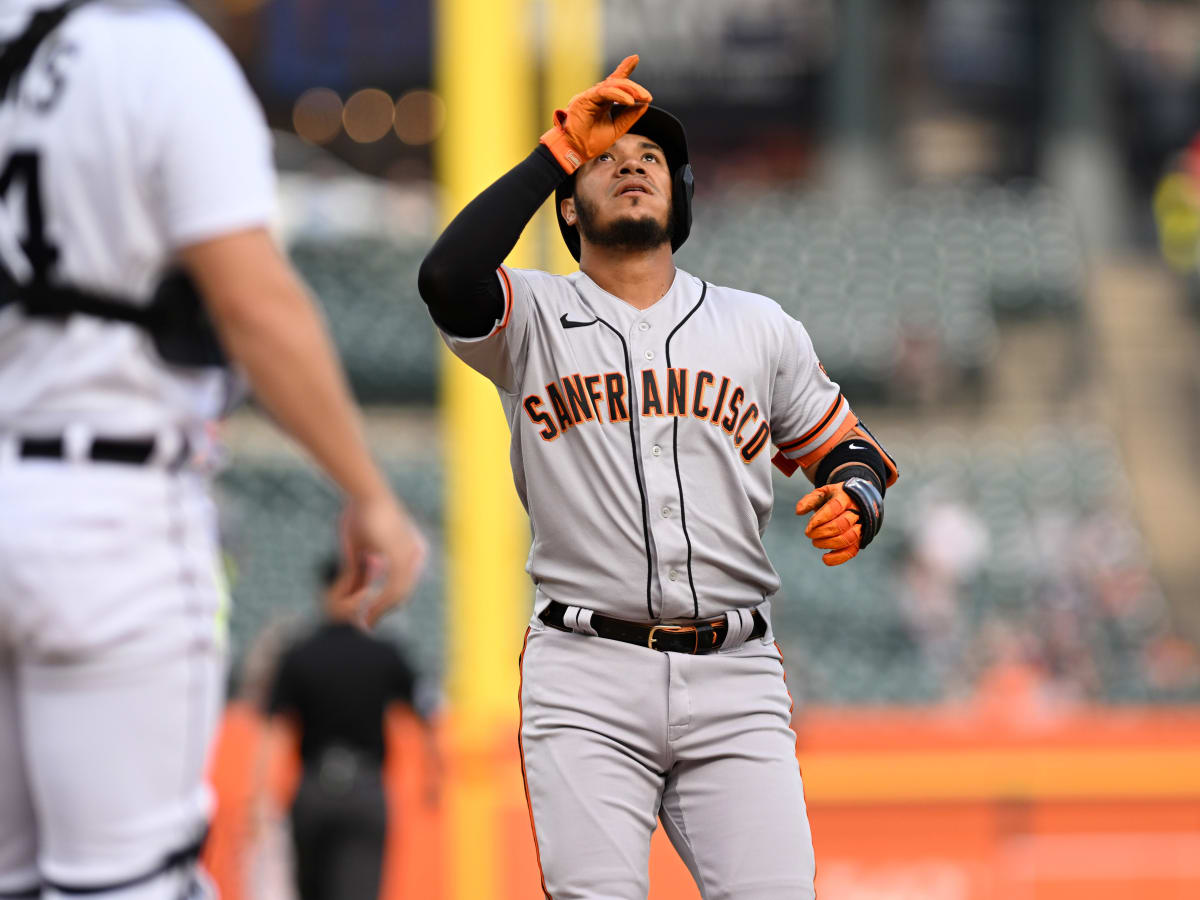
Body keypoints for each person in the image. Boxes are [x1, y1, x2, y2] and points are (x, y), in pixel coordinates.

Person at [418, 55, 899, 899]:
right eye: (607, 158)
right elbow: (447, 279)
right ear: (568, 202)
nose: (632, 162)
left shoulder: (757, 326)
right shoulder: (530, 317)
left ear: (680, 199)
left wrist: (857, 501)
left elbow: (849, 449)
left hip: (736, 671)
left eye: (650, 157)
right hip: (586, 673)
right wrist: (554, 151)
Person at [0, 3, 425, 898]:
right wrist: (368, 489)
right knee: (129, 883)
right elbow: (255, 306)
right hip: (108, 510)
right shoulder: (160, 55)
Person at [257, 558, 441, 900]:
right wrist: (434, 777)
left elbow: (273, 730)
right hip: (364, 791)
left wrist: (260, 801)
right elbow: (427, 714)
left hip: (313, 790)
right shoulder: (383, 653)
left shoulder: (299, 653)